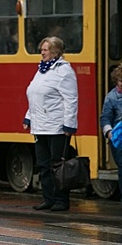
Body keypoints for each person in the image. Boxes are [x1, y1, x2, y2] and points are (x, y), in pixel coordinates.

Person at [23, 36, 78, 212]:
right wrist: (28, 117)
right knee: (43, 165)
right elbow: (34, 95)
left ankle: (61, 200)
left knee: (58, 165)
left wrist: (69, 125)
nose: (42, 52)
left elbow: (71, 100)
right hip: (40, 126)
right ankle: (48, 198)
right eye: (42, 49)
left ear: (55, 51)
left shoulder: (64, 71)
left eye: (45, 49)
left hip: (57, 127)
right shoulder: (42, 69)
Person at [100, 64, 122, 211]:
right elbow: (105, 118)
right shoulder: (112, 97)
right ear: (116, 82)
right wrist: (109, 132)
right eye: (121, 81)